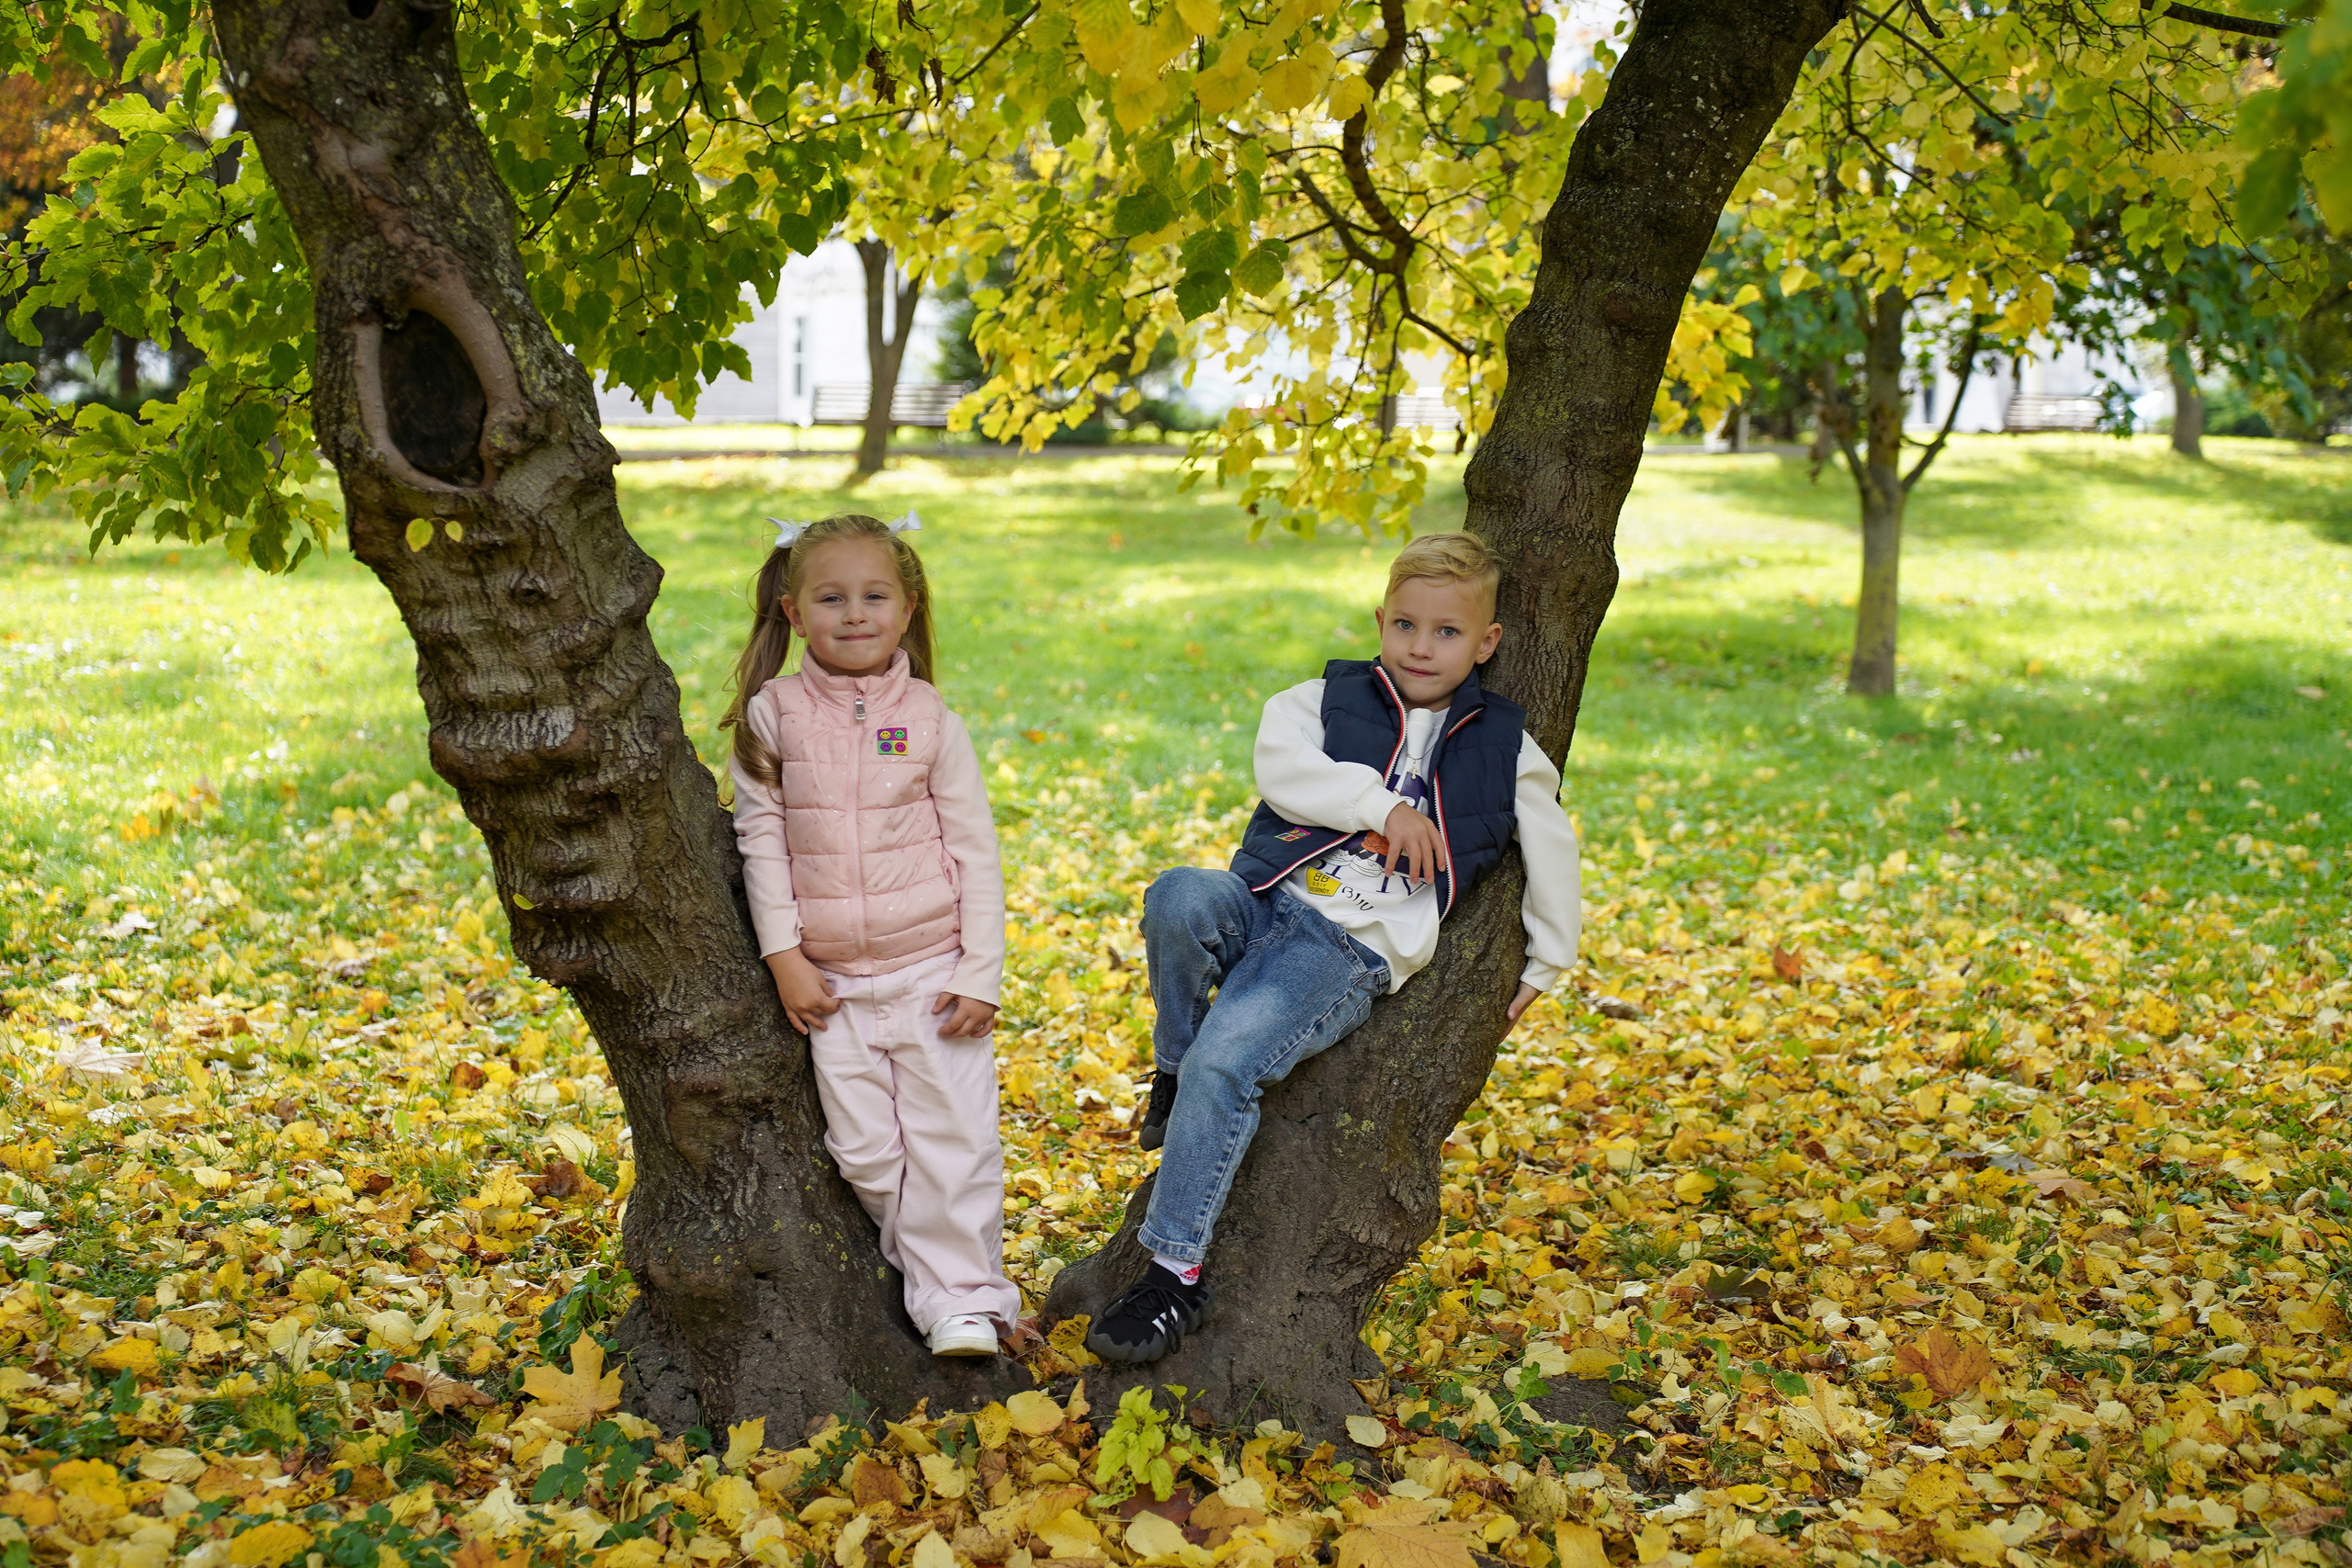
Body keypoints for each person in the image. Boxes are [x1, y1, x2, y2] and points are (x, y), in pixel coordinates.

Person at [1088, 531, 1581, 1364]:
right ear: (1380, 620)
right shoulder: (1324, 698)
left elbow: (1553, 843)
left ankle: (1173, 1273)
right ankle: (1172, 1070)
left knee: (1228, 1063)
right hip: (1266, 901)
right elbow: (1280, 767)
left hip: (1345, 948)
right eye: (1405, 625)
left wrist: (1550, 959)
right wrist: (1377, 806)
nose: (1422, 647)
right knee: (1178, 896)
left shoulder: (1505, 746)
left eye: (1448, 633)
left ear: (1488, 642)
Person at [724, 511, 1019, 1358]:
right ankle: (937, 1283)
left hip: (931, 975)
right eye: (831, 597)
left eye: (874, 595)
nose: (854, 613)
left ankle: (968, 1301)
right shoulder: (771, 716)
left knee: (955, 1146)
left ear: (907, 605)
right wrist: (783, 955)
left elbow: (975, 849)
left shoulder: (929, 719)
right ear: (793, 612)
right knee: (862, 1154)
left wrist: (980, 970)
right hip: (834, 988)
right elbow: (761, 841)